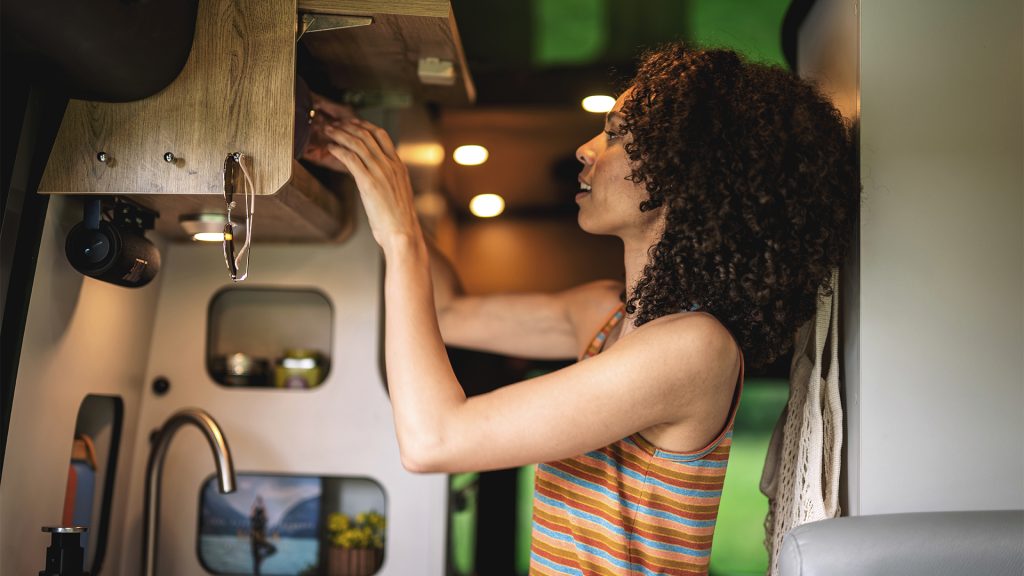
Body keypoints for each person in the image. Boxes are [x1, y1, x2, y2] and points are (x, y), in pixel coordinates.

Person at [305, 43, 858, 575]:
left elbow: (433, 440)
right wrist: (373, 175)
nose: (586, 149)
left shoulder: (695, 347)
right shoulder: (604, 317)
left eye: (615, 134)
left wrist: (400, 235)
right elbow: (445, 311)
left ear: (687, 171)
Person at [249, 496, 277, 575]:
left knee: (271, 550)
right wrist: (257, 502)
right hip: (256, 539)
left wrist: (260, 502)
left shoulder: (262, 519)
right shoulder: (255, 519)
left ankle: (261, 557)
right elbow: (253, 510)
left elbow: (263, 510)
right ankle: (261, 558)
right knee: (256, 563)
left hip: (258, 539)